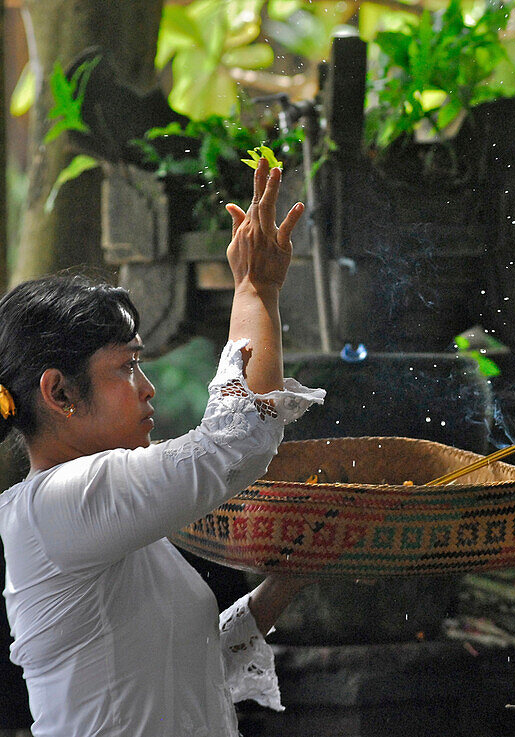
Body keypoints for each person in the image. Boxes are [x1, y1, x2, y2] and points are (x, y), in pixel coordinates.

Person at [0, 159, 325, 736]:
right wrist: (255, 289)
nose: (147, 387)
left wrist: (284, 586)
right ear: (59, 392)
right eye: (126, 368)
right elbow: (233, 444)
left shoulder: (102, 514)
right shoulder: (64, 502)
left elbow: (184, 666)